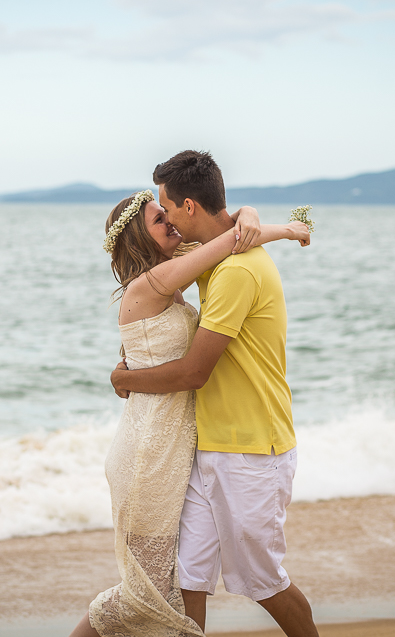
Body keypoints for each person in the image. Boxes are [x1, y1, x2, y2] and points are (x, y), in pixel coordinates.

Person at [69, 186, 309, 637]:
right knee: (145, 592)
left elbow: (229, 226)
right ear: (141, 239)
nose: (172, 223)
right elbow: (230, 238)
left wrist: (256, 216)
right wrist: (284, 230)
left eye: (169, 214)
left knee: (173, 585)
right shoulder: (155, 283)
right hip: (150, 453)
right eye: (161, 221)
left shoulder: (173, 275)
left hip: (181, 446)